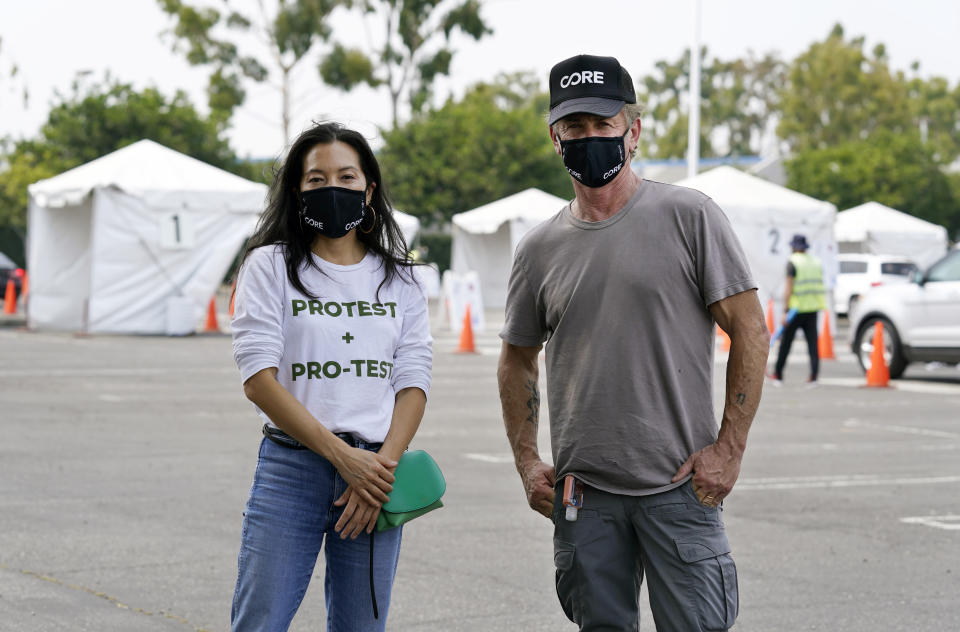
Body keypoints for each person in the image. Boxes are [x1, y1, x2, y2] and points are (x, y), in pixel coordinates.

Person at [497, 54, 770, 632]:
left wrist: (730, 449)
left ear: (633, 130)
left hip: (680, 488)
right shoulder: (539, 248)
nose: (589, 138)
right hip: (584, 497)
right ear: (555, 137)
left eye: (603, 125)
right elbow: (518, 357)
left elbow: (749, 328)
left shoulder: (689, 216)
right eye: (574, 128)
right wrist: (526, 462)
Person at [229, 121, 432, 631]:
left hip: (377, 475)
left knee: (361, 626)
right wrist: (342, 457)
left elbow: (413, 379)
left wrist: (378, 468)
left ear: (369, 189)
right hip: (290, 470)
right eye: (316, 180)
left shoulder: (402, 278)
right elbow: (257, 378)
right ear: (297, 190)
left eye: (346, 177)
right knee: (260, 621)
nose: (332, 189)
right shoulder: (269, 265)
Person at [769, 233, 827, 386]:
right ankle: (814, 377)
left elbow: (788, 288)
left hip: (795, 309)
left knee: (786, 344)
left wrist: (785, 311)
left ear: (793, 247)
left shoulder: (792, 262)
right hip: (812, 308)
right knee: (812, 345)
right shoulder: (815, 262)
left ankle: (778, 374)